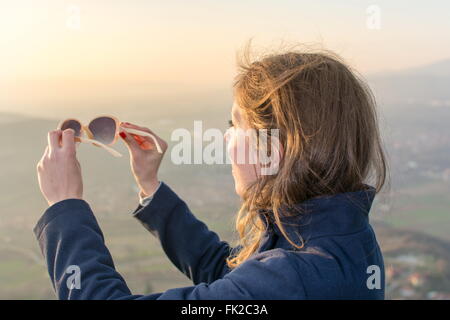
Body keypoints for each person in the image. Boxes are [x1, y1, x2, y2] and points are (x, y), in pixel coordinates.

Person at [35, 46, 387, 299]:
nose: (226, 137)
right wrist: (150, 185)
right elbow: (229, 275)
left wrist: (65, 207)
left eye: (234, 124)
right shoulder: (335, 237)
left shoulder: (297, 276)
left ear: (271, 153)